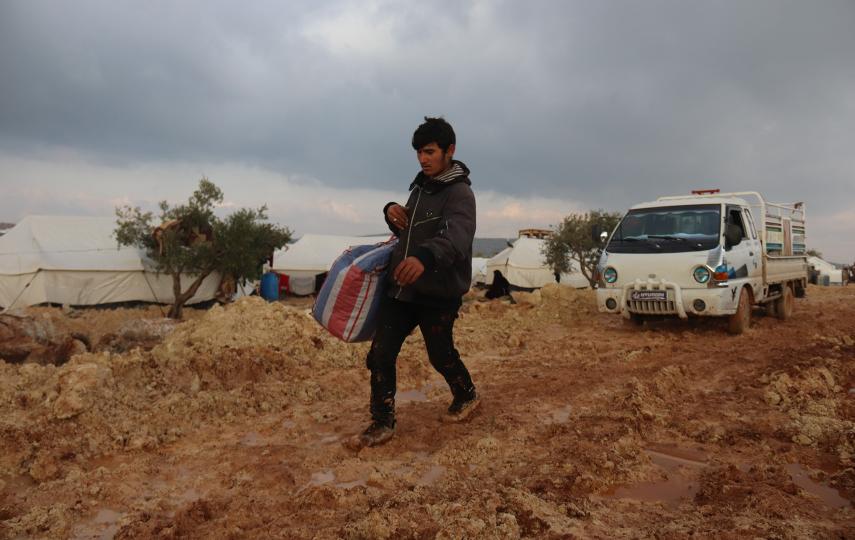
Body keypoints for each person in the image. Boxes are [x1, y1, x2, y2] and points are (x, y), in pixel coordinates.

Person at [348, 117, 479, 449]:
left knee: (440, 354)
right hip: (403, 290)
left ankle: (466, 395)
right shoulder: (420, 188)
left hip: (439, 292)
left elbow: (457, 239)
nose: (423, 159)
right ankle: (382, 421)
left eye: (430, 152)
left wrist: (424, 257)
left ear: (450, 151)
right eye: (420, 152)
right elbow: (407, 233)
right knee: (380, 354)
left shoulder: (460, 194)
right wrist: (390, 211)